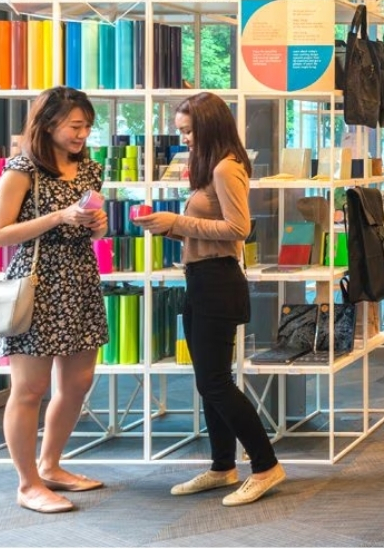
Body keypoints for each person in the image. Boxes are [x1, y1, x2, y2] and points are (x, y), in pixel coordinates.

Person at [133, 93, 284, 506]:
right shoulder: (211, 167)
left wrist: (176, 221)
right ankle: (223, 466)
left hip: (217, 281)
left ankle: (266, 465)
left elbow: (238, 228)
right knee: (207, 382)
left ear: (210, 126)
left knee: (216, 382)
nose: (184, 141)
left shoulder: (226, 168)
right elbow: (208, 227)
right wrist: (168, 227)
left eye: (188, 131)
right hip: (200, 279)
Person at [0, 86, 109, 514]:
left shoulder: (90, 169)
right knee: (30, 388)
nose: (83, 134)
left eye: (87, 127)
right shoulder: (22, 170)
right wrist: (59, 215)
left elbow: (94, 233)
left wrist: (98, 225)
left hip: (79, 279)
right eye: (76, 126)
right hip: (37, 282)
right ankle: (27, 483)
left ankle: (52, 465)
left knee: (78, 383)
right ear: (49, 123)